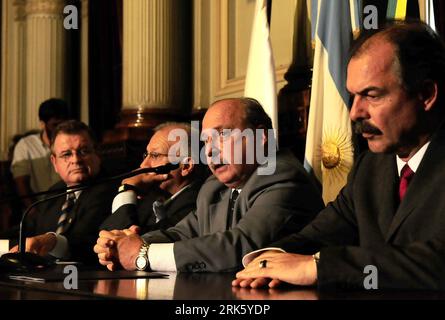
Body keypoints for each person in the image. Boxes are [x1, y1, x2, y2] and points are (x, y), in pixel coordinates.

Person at [234, 21, 445, 290]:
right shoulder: (370, 166)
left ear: (426, 95)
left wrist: (319, 267)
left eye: (371, 95)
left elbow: (436, 262)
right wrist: (272, 258)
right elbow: (320, 234)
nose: (355, 113)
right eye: (353, 96)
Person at [94, 98, 324, 272]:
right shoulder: (214, 187)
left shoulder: (283, 176)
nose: (211, 150)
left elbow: (243, 246)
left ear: (259, 137)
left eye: (222, 135)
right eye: (206, 141)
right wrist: (123, 243)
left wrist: (143, 253)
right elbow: (181, 233)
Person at [9, 120, 117, 264]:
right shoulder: (54, 193)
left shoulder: (111, 190)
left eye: (84, 151)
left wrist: (52, 241)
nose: (76, 160)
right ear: (54, 162)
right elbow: (27, 230)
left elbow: (88, 239)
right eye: (66, 154)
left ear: (97, 154)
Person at [99, 122, 208, 233]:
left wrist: (127, 190)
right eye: (146, 155)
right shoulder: (149, 200)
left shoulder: (197, 206)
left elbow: (128, 242)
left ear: (186, 166)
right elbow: (107, 235)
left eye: (155, 155)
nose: (143, 165)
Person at [10, 98, 69, 210]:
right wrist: (32, 210)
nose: (59, 130)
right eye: (55, 125)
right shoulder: (26, 145)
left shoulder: (70, 143)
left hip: (68, 206)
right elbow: (21, 182)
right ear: (42, 124)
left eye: (63, 125)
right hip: (38, 208)